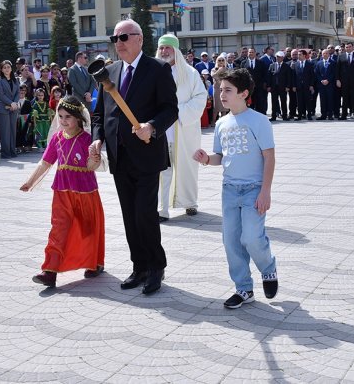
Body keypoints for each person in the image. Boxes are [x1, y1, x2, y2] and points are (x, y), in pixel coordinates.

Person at [90, 19, 178, 295]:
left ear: (140, 39)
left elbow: (170, 109)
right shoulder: (109, 72)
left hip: (148, 155)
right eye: (115, 38)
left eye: (125, 37)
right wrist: (97, 136)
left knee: (144, 214)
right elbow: (100, 113)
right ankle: (138, 266)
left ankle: (155, 267)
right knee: (129, 215)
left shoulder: (158, 69)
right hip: (120, 156)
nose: (120, 43)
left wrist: (152, 127)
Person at [192, 69, 278, 309]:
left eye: (228, 90)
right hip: (229, 189)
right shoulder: (221, 123)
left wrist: (265, 192)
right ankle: (244, 288)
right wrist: (206, 159)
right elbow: (221, 156)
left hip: (254, 189)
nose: (222, 94)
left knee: (251, 237)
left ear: (244, 93)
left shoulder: (259, 121)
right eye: (220, 90)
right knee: (231, 241)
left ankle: (268, 268)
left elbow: (269, 157)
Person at [20, 96, 105, 288]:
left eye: (68, 117)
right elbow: (45, 162)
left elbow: (92, 166)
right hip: (61, 192)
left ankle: (95, 263)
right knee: (57, 229)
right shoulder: (57, 138)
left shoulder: (87, 139)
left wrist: (94, 157)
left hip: (85, 192)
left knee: (88, 230)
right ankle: (49, 271)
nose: (63, 120)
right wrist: (30, 181)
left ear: (78, 118)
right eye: (60, 116)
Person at [155, 34, 207, 221]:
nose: (164, 51)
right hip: (161, 129)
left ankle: (190, 202)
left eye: (168, 48)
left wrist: (177, 111)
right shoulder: (153, 72)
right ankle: (162, 209)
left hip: (184, 129)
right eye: (161, 48)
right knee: (162, 169)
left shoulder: (191, 73)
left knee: (188, 166)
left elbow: (200, 98)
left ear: (175, 50)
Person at [0, 60, 20, 159]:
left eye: (8, 67)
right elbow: (1, 95)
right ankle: (6, 153)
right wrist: (11, 103)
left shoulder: (16, 80)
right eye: (4, 67)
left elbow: (18, 92)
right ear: (1, 69)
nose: (6, 69)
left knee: (13, 130)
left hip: (13, 108)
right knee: (5, 131)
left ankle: (12, 151)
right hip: (3, 108)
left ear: (11, 68)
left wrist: (14, 103)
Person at [315, 49, 336, 120]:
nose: (325, 55)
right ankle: (323, 114)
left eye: (326, 53)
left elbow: (334, 73)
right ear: (322, 55)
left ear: (329, 54)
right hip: (321, 85)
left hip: (330, 84)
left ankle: (330, 114)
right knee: (322, 100)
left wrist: (328, 80)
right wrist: (321, 80)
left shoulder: (333, 63)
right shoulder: (319, 63)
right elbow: (317, 73)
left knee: (330, 99)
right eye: (323, 53)